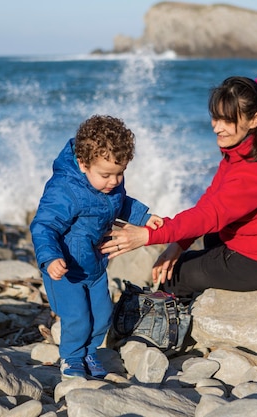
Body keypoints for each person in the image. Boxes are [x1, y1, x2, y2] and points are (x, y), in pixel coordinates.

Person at [100, 73, 257, 299]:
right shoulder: (254, 146)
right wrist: (178, 244)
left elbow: (210, 215)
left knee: (175, 275)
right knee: (209, 238)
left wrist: (147, 235)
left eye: (228, 121)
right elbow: (213, 197)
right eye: (216, 118)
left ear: (255, 119)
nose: (217, 128)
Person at [30, 114, 163, 380]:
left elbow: (120, 201)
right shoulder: (64, 189)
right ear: (83, 164)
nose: (113, 181)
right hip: (65, 269)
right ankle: (71, 358)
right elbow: (44, 226)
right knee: (77, 317)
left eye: (120, 173)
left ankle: (90, 351)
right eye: (106, 175)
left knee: (102, 315)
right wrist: (51, 258)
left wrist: (143, 217)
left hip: (95, 265)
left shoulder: (109, 183)